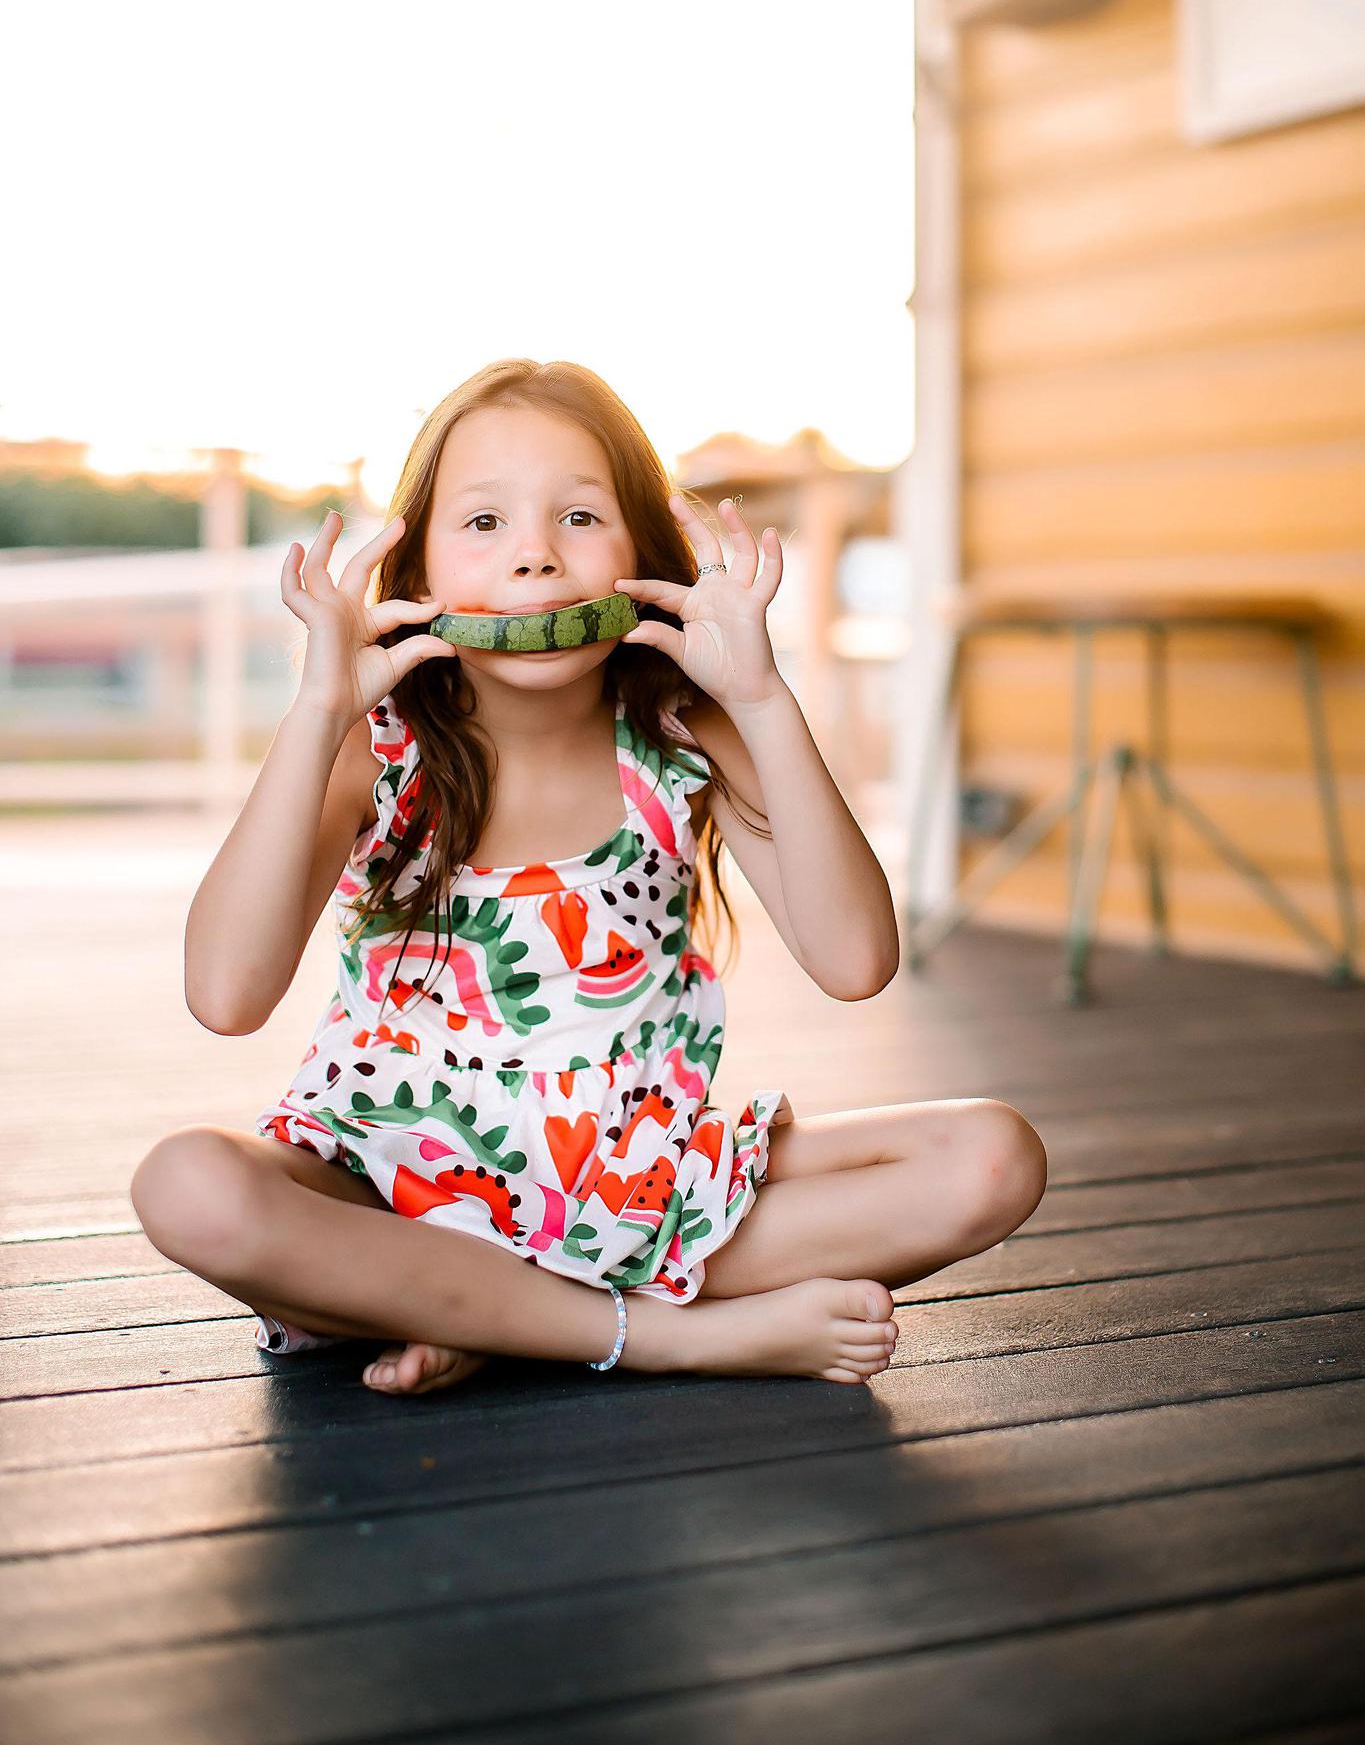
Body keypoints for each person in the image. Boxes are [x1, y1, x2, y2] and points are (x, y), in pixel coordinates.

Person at [131, 359, 1047, 1395]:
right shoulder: (367, 750)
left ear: (641, 553)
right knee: (190, 1186)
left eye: (578, 515)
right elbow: (224, 993)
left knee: (993, 1158)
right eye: (484, 524)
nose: (534, 556)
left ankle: (492, 1313)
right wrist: (314, 716)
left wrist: (763, 699)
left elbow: (856, 960)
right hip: (385, 1194)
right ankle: (665, 1334)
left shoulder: (682, 739)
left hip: (636, 1191)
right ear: (419, 570)